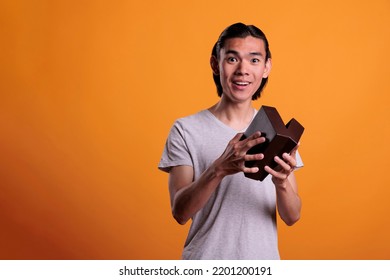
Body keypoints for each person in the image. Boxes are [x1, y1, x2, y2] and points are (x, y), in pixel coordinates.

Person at [158, 22, 303, 260]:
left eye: (254, 60)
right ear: (216, 64)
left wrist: (282, 183)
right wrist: (219, 169)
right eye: (232, 59)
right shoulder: (186, 129)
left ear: (266, 67)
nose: (243, 70)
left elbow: (292, 216)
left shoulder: (276, 131)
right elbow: (180, 212)